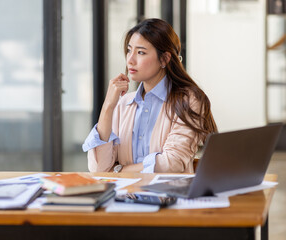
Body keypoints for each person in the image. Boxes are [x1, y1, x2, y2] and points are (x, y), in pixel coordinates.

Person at [82, 18, 217, 173]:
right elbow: (99, 169)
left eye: (141, 52)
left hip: (166, 196)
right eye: (129, 50)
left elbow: (172, 163)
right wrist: (108, 106)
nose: (130, 60)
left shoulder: (189, 100)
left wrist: (119, 170)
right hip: (124, 196)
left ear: (164, 59)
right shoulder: (124, 102)